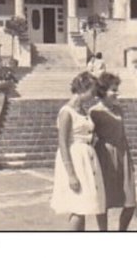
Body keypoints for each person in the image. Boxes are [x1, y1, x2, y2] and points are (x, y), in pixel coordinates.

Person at [50, 72, 107, 231]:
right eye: (92, 92)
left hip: (87, 158)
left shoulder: (83, 111)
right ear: (82, 89)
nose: (94, 96)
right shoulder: (66, 112)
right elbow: (62, 143)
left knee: (86, 205)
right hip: (75, 160)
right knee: (79, 206)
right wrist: (71, 174)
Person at [90, 72, 136, 230]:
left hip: (122, 154)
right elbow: (89, 138)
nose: (117, 93)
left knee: (130, 202)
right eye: (114, 90)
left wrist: (129, 160)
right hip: (104, 157)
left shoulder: (118, 110)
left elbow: (122, 134)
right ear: (103, 91)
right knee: (103, 200)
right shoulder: (94, 112)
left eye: (117, 89)